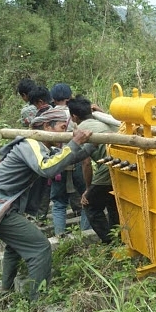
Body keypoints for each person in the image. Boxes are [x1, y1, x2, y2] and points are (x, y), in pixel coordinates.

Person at [0, 108, 96, 300]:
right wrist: (74, 142)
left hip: (3, 207)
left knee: (15, 245)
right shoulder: (30, 144)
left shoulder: (44, 147)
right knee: (40, 247)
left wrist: (93, 142)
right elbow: (47, 168)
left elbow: (71, 157)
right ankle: (38, 301)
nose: (65, 133)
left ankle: (4, 289)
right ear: (47, 126)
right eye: (63, 128)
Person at [68, 95, 120, 245]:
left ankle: (110, 241)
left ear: (74, 116)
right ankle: (120, 239)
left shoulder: (82, 131)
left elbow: (86, 163)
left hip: (109, 165)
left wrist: (88, 188)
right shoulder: (103, 120)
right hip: (123, 162)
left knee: (89, 204)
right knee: (112, 201)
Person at [48, 83, 90, 236]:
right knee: (86, 198)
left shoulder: (49, 115)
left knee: (59, 203)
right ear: (70, 96)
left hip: (57, 162)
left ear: (53, 98)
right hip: (77, 160)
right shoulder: (76, 113)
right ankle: (84, 233)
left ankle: (60, 235)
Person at [24, 85, 54, 221]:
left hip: (44, 156)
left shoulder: (41, 118)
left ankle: (39, 215)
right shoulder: (57, 112)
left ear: (40, 102)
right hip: (57, 156)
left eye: (35, 104)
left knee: (43, 188)